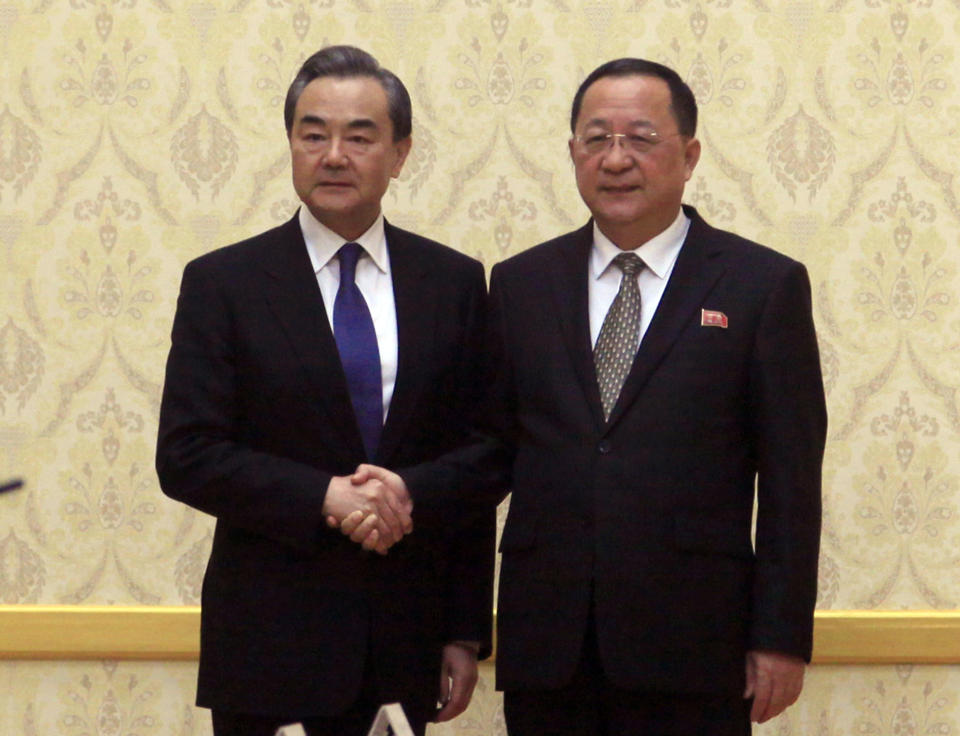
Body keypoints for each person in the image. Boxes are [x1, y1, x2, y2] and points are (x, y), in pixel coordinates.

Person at [351, 57, 827, 735]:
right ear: (571, 152)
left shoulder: (760, 287)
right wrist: (409, 491)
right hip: (550, 648)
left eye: (640, 137)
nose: (616, 159)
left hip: (694, 646)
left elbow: (791, 480)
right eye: (596, 138)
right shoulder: (521, 286)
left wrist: (780, 636)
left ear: (689, 155)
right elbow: (489, 454)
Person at [155, 45, 494, 736]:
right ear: (291, 145)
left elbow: (480, 458)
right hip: (269, 647)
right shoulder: (226, 284)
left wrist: (463, 627)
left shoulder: (452, 283)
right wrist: (326, 497)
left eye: (359, 136)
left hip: (404, 639)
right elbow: (186, 454)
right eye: (313, 134)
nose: (333, 154)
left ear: (400, 154)